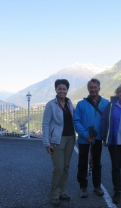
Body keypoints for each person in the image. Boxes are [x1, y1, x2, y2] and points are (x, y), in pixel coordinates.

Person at [73, 78, 109, 198]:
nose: (93, 89)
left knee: (97, 162)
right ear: (88, 89)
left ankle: (97, 185)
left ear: (99, 88)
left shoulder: (105, 103)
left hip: (98, 139)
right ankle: (83, 186)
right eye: (91, 87)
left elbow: (108, 121)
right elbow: (76, 121)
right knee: (82, 162)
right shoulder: (81, 104)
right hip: (84, 138)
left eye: (95, 87)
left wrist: (105, 137)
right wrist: (85, 134)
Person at [42, 79, 76, 207]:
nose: (62, 91)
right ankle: (54, 194)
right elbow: (45, 124)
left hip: (70, 139)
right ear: (56, 90)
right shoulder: (51, 105)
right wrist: (46, 142)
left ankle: (62, 192)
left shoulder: (69, 103)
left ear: (67, 90)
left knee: (66, 167)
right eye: (59, 88)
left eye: (64, 89)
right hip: (56, 141)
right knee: (59, 167)